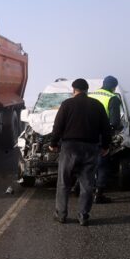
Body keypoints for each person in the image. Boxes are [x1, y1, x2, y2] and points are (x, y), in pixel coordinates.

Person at [49, 78, 112, 226]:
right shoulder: (97, 105)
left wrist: (53, 143)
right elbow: (106, 129)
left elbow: (57, 126)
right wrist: (105, 146)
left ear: (73, 90)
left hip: (70, 147)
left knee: (64, 182)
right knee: (87, 184)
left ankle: (61, 214)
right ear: (87, 90)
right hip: (90, 148)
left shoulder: (67, 104)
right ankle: (83, 216)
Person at [87, 76, 123, 204]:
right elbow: (114, 122)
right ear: (114, 87)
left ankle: (80, 189)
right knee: (102, 164)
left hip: (84, 135)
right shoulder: (112, 98)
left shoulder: (90, 95)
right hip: (100, 135)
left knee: (86, 164)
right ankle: (99, 193)